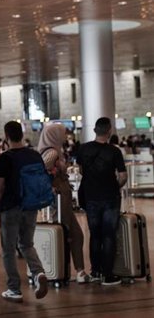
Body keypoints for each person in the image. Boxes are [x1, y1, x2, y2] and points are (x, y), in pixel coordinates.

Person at [0, 121, 48, 303]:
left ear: (6, 136)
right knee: (27, 244)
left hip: (10, 208)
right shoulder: (34, 155)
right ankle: (38, 274)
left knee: (8, 249)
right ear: (22, 134)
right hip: (30, 206)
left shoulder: (5, 158)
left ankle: (14, 289)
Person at [77, 117, 128, 286]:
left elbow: (81, 170)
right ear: (109, 131)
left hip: (91, 198)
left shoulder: (83, 149)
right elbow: (122, 176)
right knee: (108, 235)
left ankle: (95, 272)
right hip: (110, 198)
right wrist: (115, 186)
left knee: (95, 235)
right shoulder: (114, 151)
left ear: (94, 130)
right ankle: (108, 275)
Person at [37, 123, 90, 283]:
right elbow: (42, 170)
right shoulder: (52, 153)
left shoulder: (53, 151)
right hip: (59, 199)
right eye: (61, 133)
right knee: (66, 234)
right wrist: (51, 186)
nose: (65, 135)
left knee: (73, 234)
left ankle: (75, 271)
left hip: (62, 198)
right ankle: (61, 271)